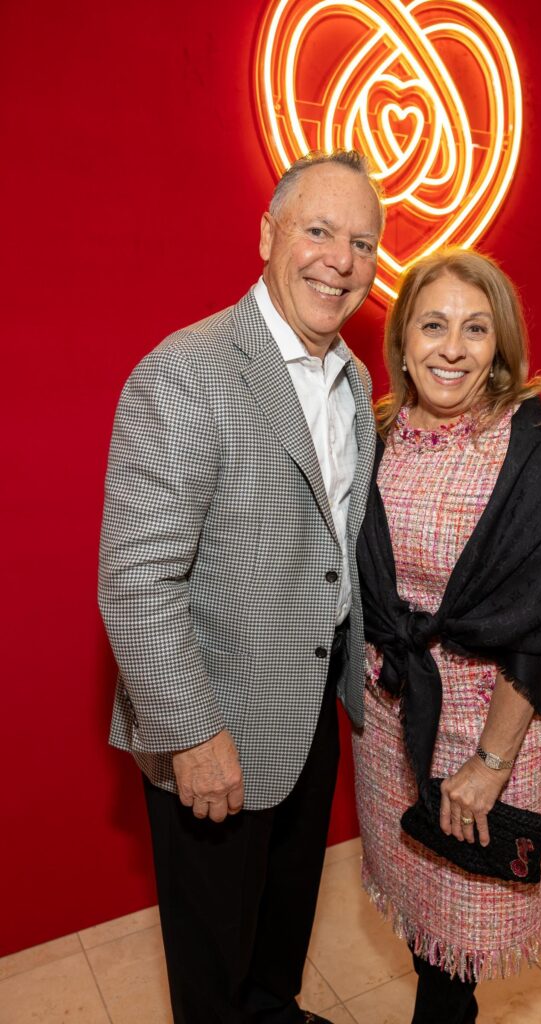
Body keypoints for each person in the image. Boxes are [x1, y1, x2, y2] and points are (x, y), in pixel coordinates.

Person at [98, 149, 384, 1024]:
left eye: (363, 244)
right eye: (319, 230)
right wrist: (190, 735)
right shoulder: (188, 371)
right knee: (210, 955)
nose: (340, 259)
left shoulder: (356, 380)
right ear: (266, 234)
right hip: (214, 730)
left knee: (280, 926)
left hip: (309, 710)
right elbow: (136, 579)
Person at [353, 248, 541, 1024]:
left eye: (474, 328)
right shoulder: (379, 430)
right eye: (433, 325)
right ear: (403, 340)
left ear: (499, 345)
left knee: (465, 921)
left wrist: (489, 762)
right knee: (424, 913)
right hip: (390, 720)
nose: (451, 348)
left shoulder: (526, 440)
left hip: (491, 725)